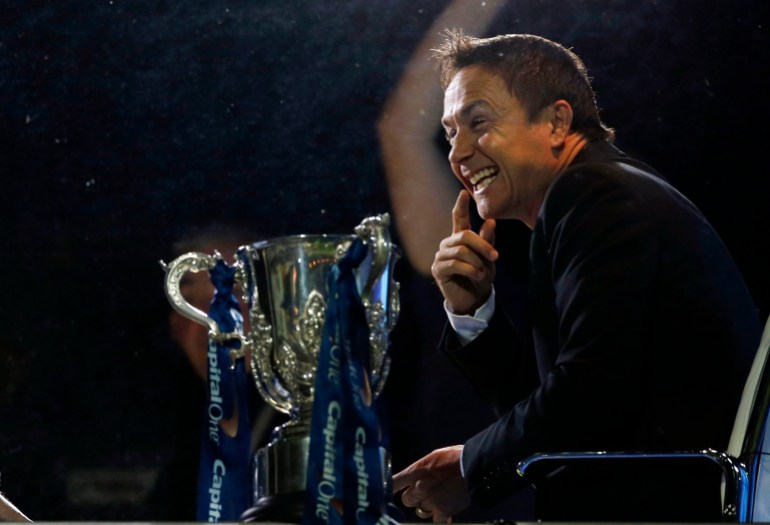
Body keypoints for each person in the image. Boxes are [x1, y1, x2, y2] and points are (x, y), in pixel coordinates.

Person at [391, 30, 761, 523]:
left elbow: (588, 396)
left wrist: (471, 465)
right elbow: (557, 400)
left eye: (478, 122)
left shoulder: (593, 192)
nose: (458, 153)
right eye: (450, 132)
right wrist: (472, 312)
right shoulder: (596, 194)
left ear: (556, 122)